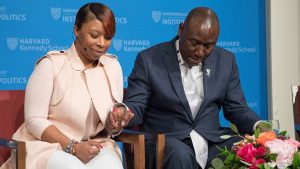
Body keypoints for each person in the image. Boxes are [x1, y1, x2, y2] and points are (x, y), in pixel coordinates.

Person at [124, 7, 261, 169]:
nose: (200, 52)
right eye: (194, 43)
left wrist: (260, 127)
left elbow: (237, 108)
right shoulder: (149, 60)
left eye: (208, 46)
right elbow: (136, 105)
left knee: (246, 149)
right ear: (181, 30)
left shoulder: (225, 61)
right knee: (179, 153)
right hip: (168, 141)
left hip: (212, 140)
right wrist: (124, 113)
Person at [1, 2, 133, 169]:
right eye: (94, 35)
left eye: (108, 37)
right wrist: (74, 147)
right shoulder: (50, 65)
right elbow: (34, 121)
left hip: (93, 145)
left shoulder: (113, 66)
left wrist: (115, 124)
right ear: (76, 30)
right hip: (46, 146)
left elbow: (107, 127)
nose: (102, 43)